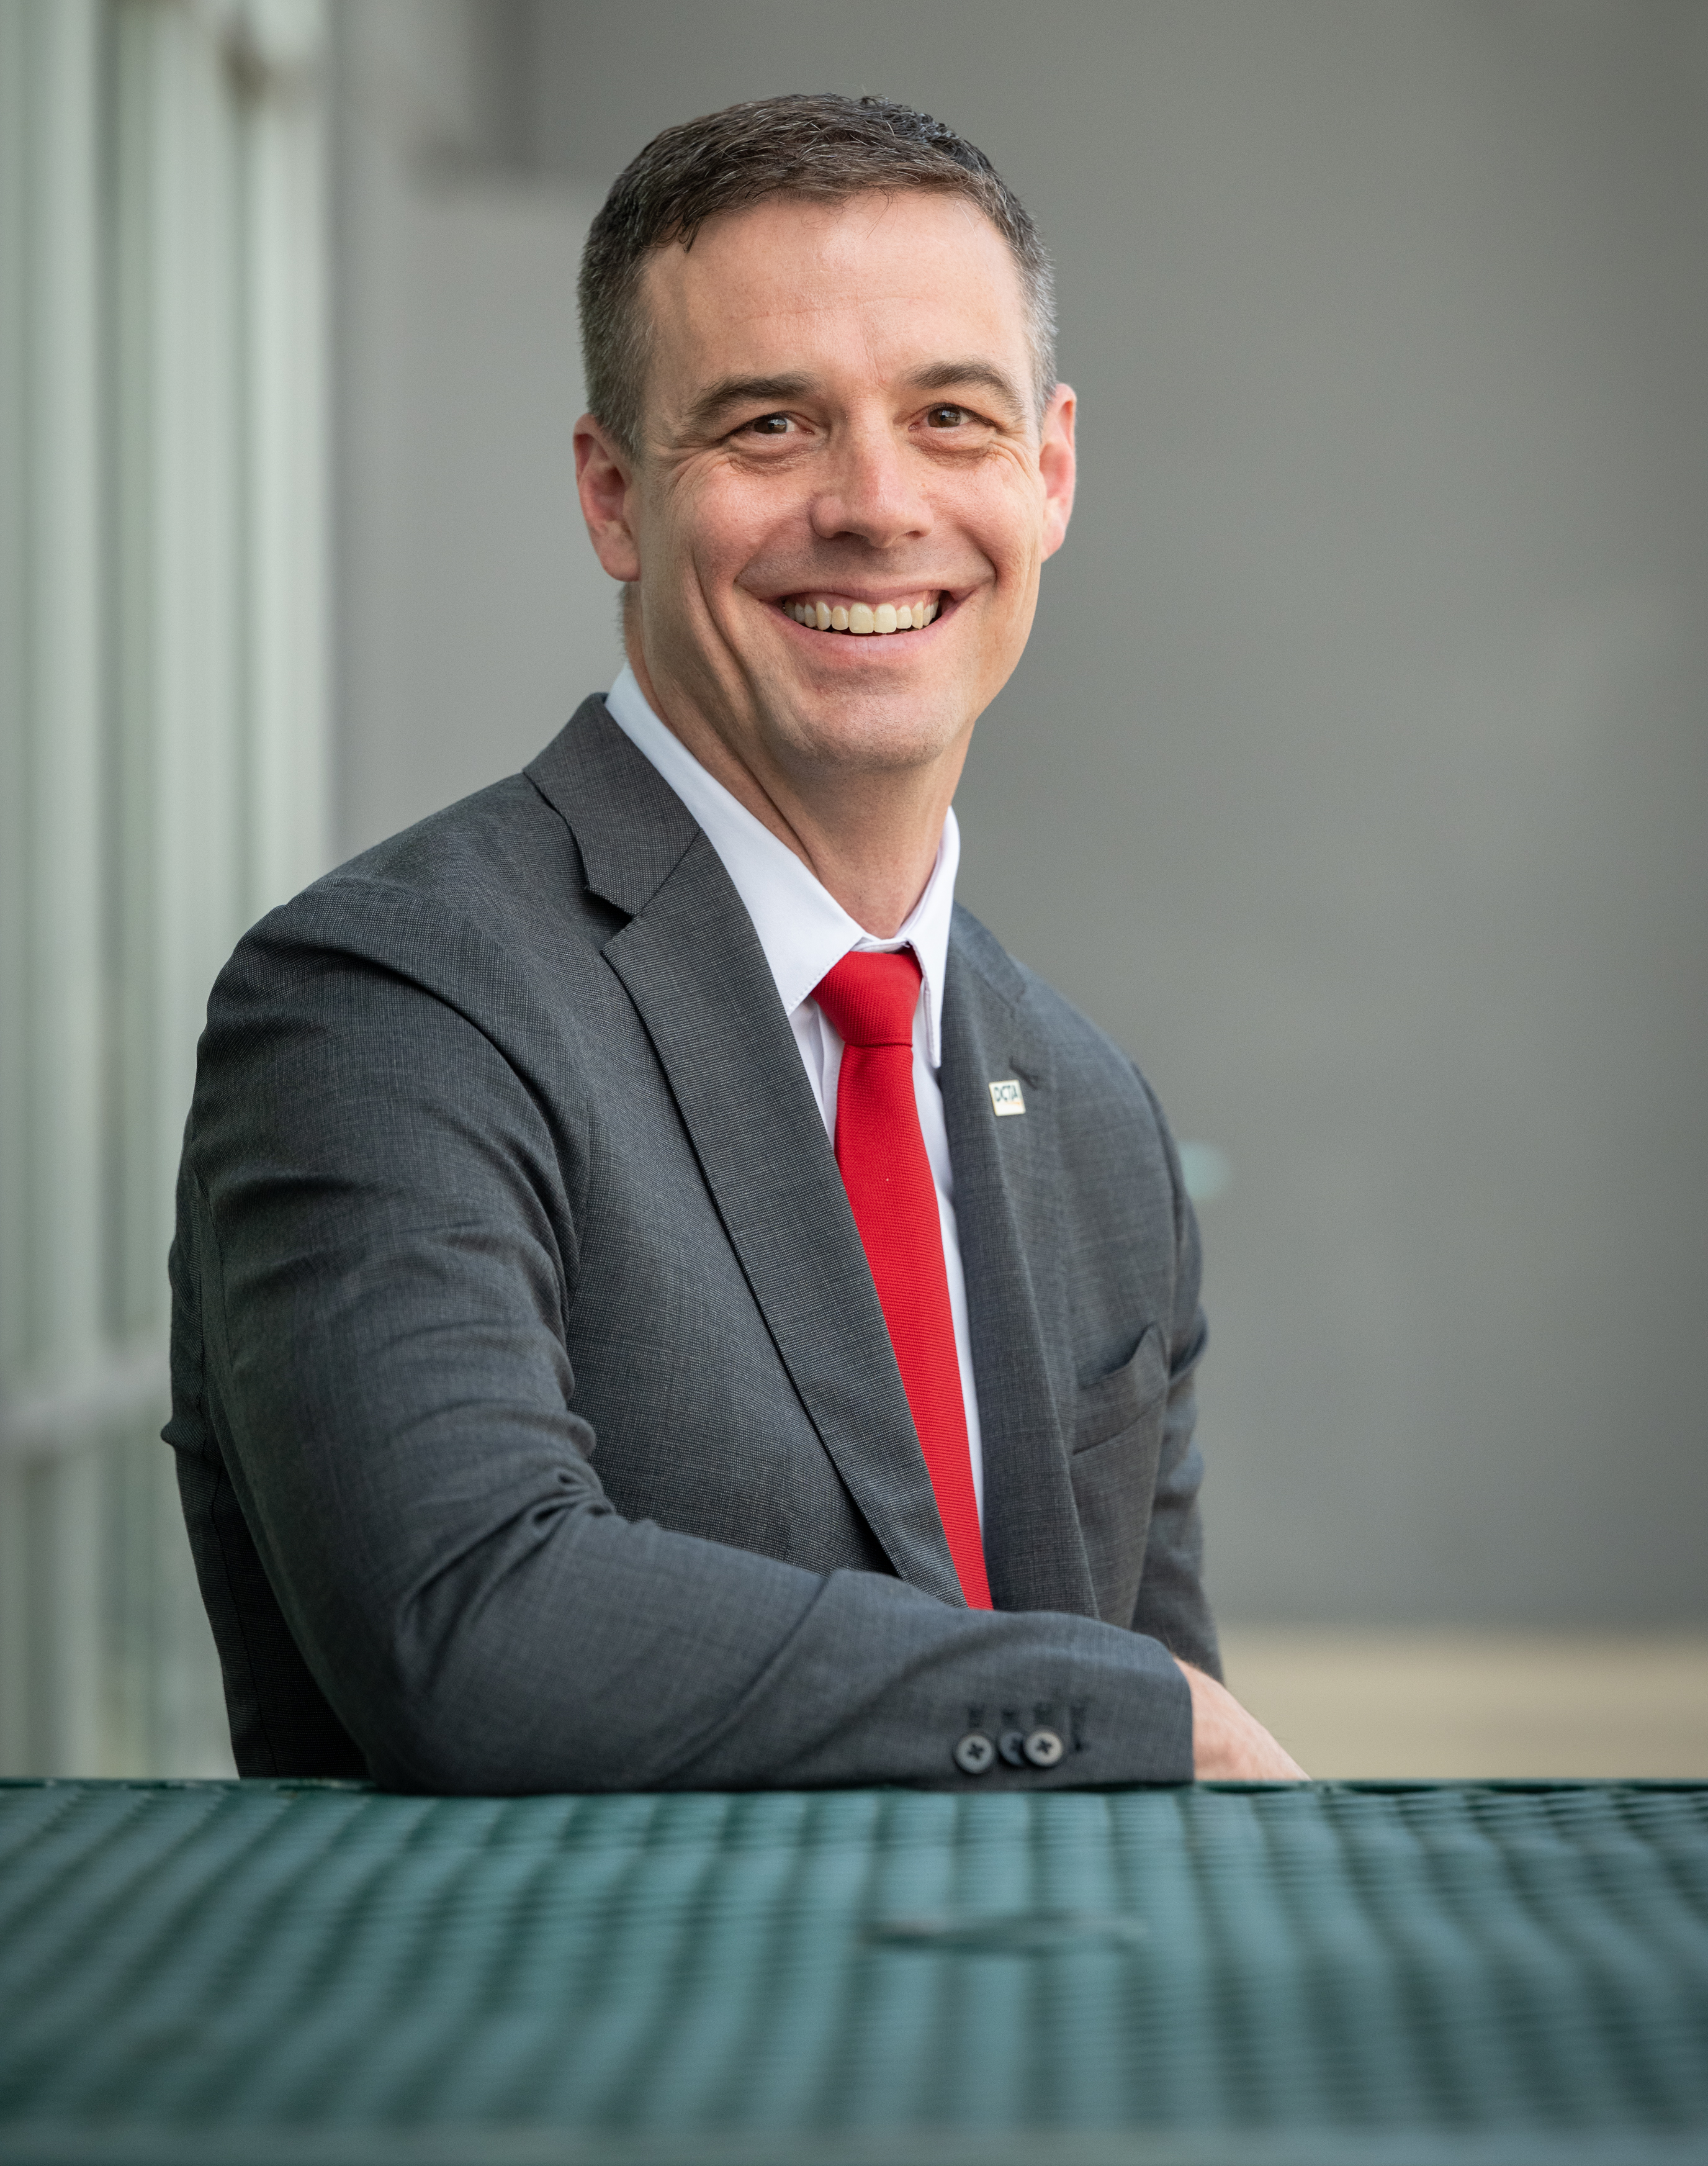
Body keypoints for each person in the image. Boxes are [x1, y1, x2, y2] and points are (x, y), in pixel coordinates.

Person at [168, 93, 1302, 1791]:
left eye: (952, 418)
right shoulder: (389, 1007)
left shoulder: (1093, 1117)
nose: (873, 503)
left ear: (1047, 474)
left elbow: (1160, 1793)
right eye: (771, 427)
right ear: (614, 496)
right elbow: (471, 1622)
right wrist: (1126, 1712)